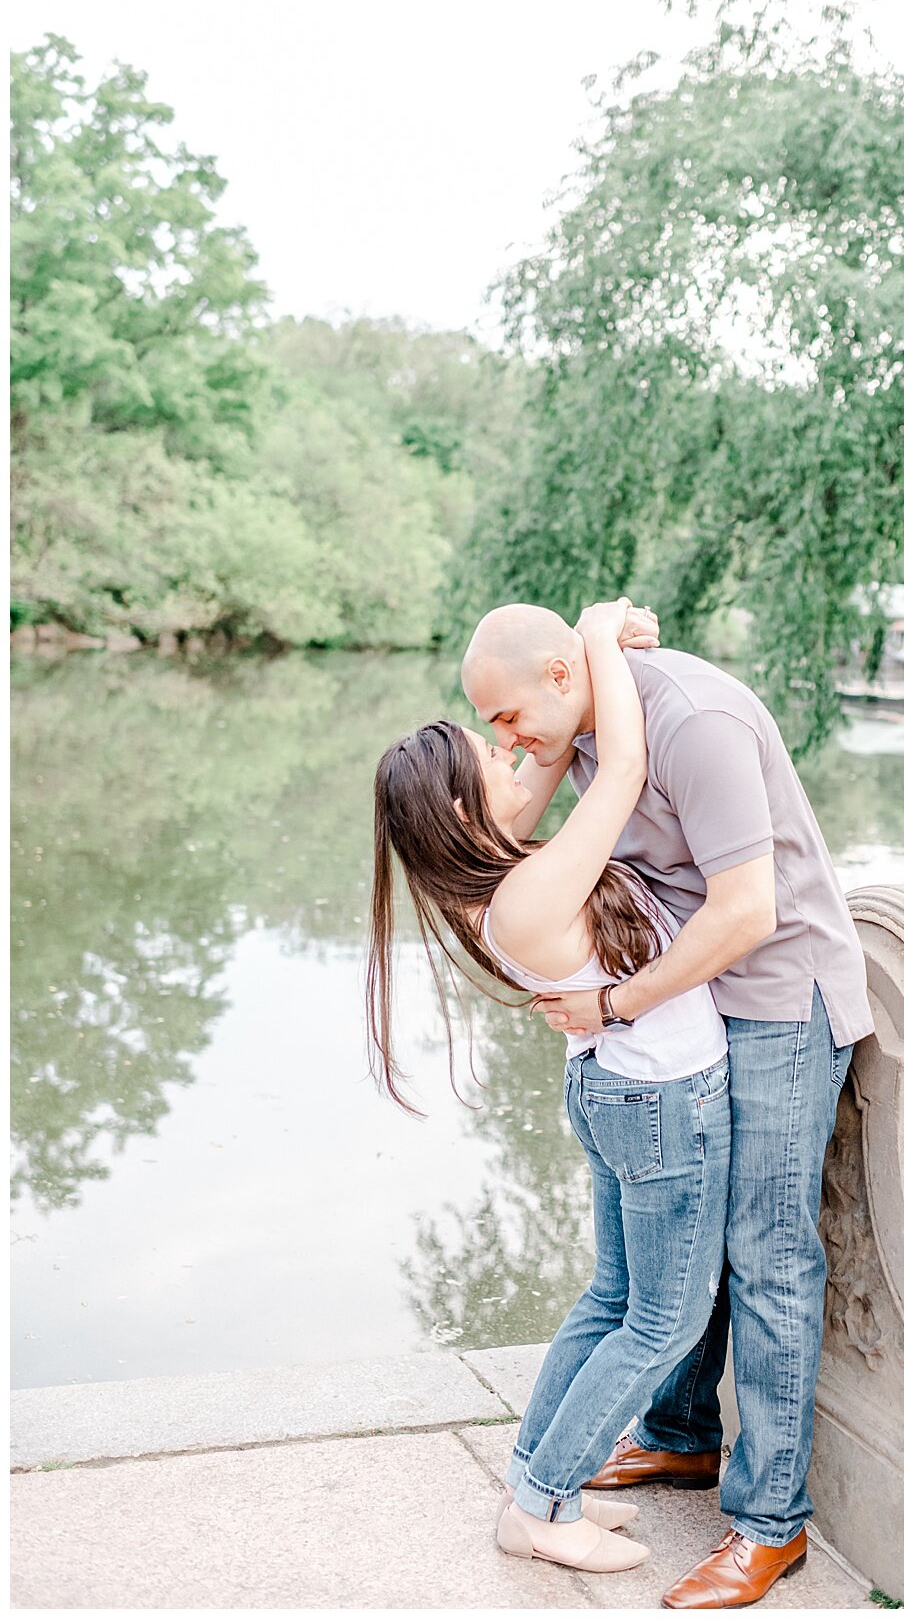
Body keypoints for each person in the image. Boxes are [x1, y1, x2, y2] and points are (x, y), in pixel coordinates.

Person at [461, 602, 875, 1611]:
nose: (507, 743)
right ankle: (680, 1438)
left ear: (561, 673)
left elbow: (747, 910)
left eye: (510, 717)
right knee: (682, 1241)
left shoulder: (694, 720)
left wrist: (611, 1002)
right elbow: (498, 827)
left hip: (776, 998)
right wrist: (561, 716)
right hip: (690, 1005)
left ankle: (771, 1525)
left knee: (764, 1251)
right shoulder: (593, 725)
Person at [367, 600, 731, 1579]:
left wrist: (563, 674)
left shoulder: (484, 871)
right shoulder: (522, 891)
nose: (507, 755)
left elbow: (551, 759)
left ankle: (540, 1478)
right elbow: (620, 768)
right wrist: (599, 639)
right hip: (658, 1096)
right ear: (458, 808)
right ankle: (538, 1504)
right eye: (484, 753)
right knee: (664, 1316)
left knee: (612, 1293)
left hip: (617, 1088)